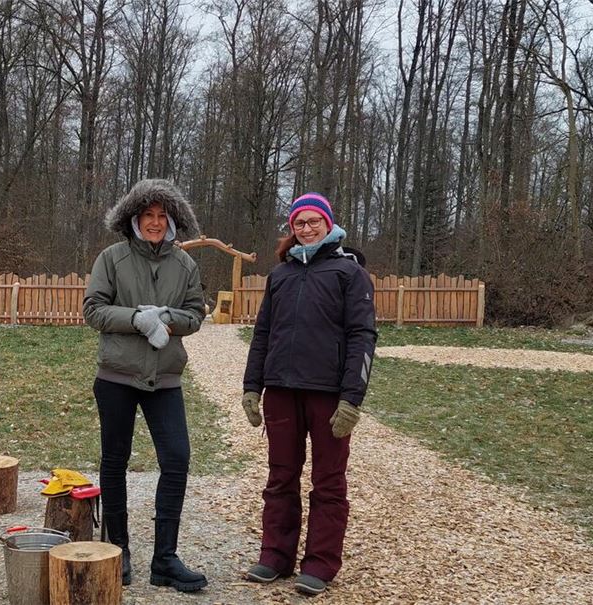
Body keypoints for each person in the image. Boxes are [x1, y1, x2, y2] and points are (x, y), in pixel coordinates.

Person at [240, 192, 377, 596]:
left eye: (313, 221)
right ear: (292, 227)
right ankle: (275, 555)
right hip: (282, 391)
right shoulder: (280, 275)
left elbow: (363, 337)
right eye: (299, 223)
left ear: (329, 223)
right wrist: (252, 386)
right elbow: (262, 334)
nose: (305, 228)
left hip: (328, 395)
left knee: (328, 481)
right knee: (280, 476)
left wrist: (352, 398)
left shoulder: (349, 274)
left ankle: (320, 563)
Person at [83, 178, 208, 592]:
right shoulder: (112, 258)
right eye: (148, 215)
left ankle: (165, 560)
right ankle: (117, 551)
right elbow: (94, 310)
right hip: (117, 376)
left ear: (172, 221)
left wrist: (168, 318)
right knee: (114, 463)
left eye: (162, 216)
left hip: (166, 378)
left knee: (177, 459)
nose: (155, 223)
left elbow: (196, 313)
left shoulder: (184, 264)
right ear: (134, 218)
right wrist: (137, 318)